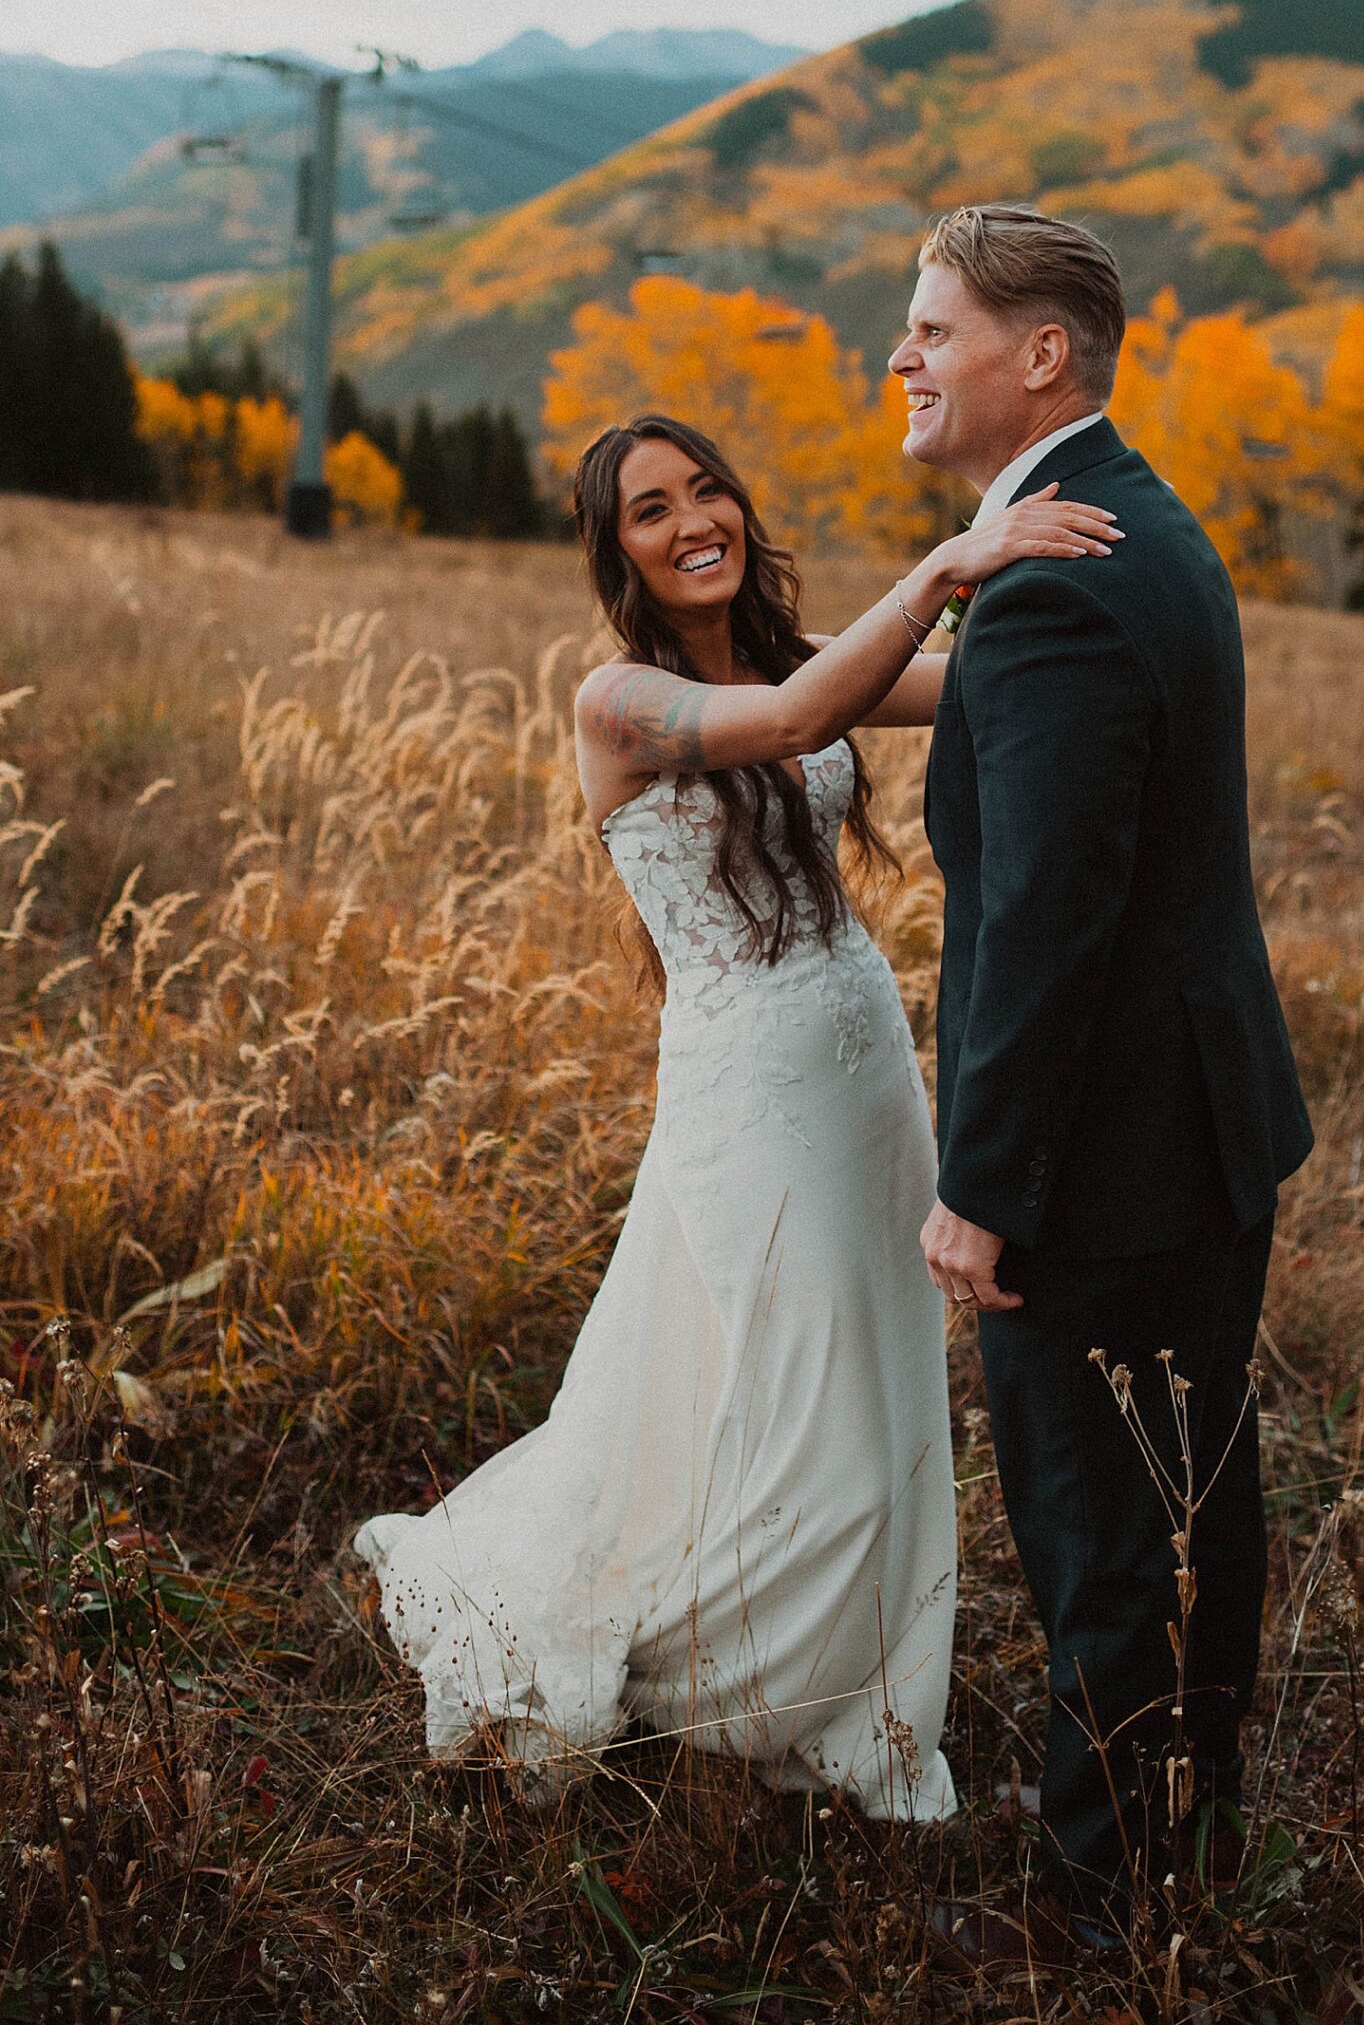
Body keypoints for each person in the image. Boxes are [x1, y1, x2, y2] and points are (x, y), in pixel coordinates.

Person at [353, 410, 1119, 1814]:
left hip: (864, 1060)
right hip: (746, 1087)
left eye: (706, 489)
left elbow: (972, 684)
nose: (691, 519)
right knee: (780, 1369)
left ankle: (857, 1672)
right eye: (652, 508)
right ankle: (760, 1678)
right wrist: (953, 556)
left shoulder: (787, 656)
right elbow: (792, 725)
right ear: (618, 550)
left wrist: (1109, 605)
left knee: (876, 1370)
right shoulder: (618, 704)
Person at [892, 205, 1314, 1942]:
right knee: (1197, 1500)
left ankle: (1090, 1915)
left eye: (930, 328)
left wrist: (983, 1185)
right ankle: (1190, 1831)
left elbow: (1049, 921)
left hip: (1107, 1155)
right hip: (1199, 1117)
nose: (900, 360)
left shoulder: (1058, 567)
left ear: (1039, 354)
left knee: (1100, 1537)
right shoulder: (1132, 521)